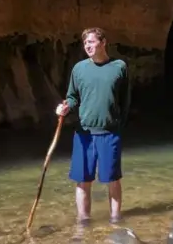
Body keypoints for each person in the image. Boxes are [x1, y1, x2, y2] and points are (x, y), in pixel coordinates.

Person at [55, 27, 131, 228]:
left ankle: (115, 220)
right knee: (82, 180)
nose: (87, 46)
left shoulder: (119, 67)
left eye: (91, 42)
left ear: (103, 42)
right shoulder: (79, 69)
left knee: (112, 179)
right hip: (84, 133)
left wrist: (117, 125)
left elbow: (125, 100)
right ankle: (84, 222)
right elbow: (72, 97)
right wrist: (65, 107)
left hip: (109, 133)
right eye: (85, 43)